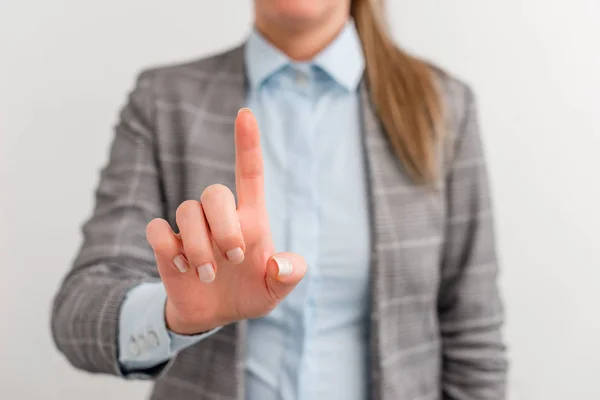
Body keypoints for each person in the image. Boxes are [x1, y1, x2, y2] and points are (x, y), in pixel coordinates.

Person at [51, 0, 507, 399]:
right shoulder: (163, 102)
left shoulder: (444, 107)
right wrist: (173, 316)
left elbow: (473, 335)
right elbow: (78, 315)